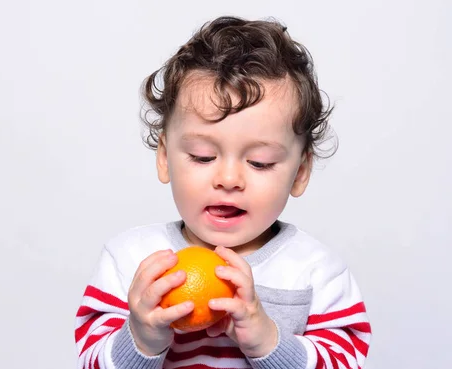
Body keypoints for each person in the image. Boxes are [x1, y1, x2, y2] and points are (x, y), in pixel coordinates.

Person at [74, 15, 371, 369]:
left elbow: (345, 360)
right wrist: (141, 338)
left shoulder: (316, 273)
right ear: (165, 158)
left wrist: (267, 340)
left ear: (300, 172)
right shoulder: (130, 262)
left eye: (259, 162)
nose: (229, 179)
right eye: (203, 156)